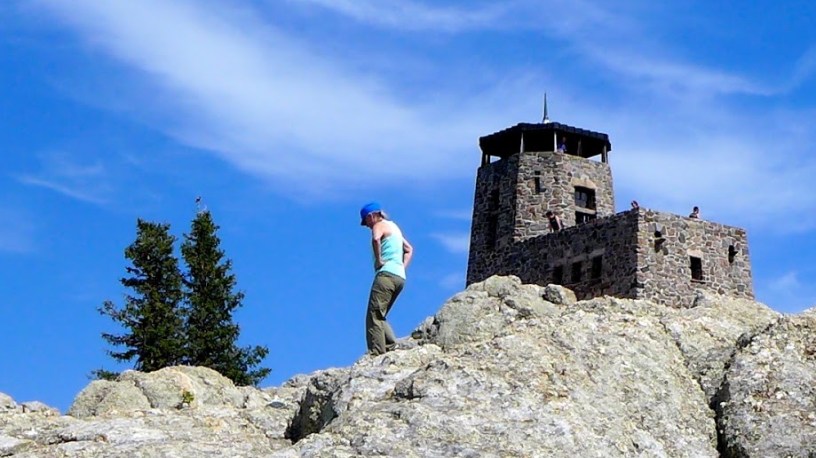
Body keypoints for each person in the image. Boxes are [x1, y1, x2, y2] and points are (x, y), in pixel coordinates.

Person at [359, 202, 414, 356]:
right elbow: (409, 249)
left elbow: (376, 239)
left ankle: (376, 352)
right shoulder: (394, 227)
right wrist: (401, 267)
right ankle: (390, 345)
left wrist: (379, 260)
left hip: (386, 275)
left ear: (371, 216)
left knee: (373, 315)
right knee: (380, 315)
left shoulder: (379, 225)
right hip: (399, 278)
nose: (367, 226)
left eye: (366, 221)